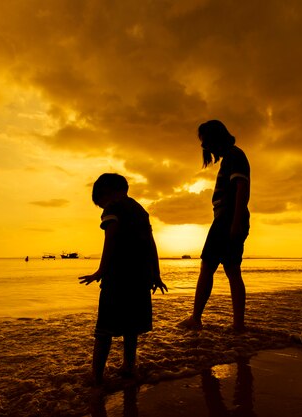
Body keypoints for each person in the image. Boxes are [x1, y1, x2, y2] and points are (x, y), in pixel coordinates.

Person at [79, 173, 167, 385]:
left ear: (106, 193)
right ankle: (129, 366)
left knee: (104, 330)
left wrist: (101, 270)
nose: (102, 208)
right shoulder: (140, 210)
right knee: (131, 328)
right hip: (141, 278)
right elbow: (151, 243)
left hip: (118, 277)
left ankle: (97, 376)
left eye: (100, 204)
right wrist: (156, 273)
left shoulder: (113, 208)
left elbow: (111, 236)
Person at [179, 120, 250, 332]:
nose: (203, 146)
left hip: (227, 219)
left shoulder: (235, 156)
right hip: (228, 218)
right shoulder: (230, 158)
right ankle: (238, 324)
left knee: (208, 266)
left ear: (215, 138)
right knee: (231, 269)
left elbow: (242, 189)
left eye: (205, 141)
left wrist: (235, 222)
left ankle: (196, 319)